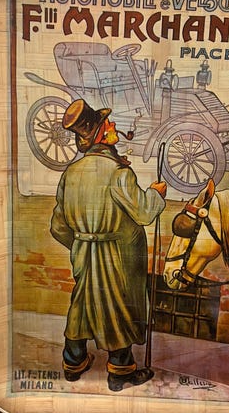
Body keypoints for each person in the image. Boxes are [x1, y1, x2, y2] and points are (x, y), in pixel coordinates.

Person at [50, 99, 167, 392]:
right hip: (116, 256)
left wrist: (84, 244)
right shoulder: (118, 172)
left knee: (82, 305)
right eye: (108, 124)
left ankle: (73, 363)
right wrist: (156, 194)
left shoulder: (70, 173)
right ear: (101, 133)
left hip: (84, 254)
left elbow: (58, 227)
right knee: (118, 308)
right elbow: (144, 213)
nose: (113, 125)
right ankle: (120, 372)